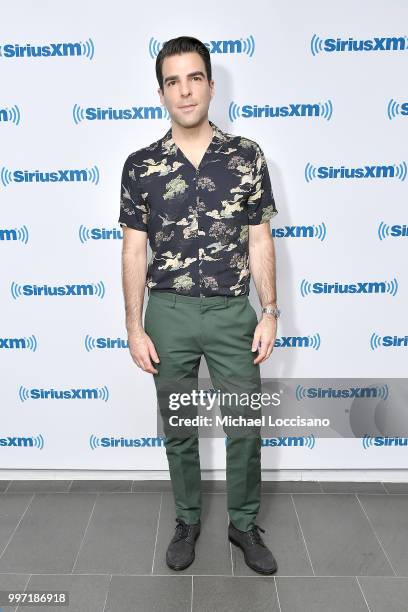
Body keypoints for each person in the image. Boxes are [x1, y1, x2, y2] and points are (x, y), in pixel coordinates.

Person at [118, 36, 280, 575]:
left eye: (194, 78)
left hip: (233, 312)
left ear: (211, 84)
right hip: (168, 314)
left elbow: (260, 238)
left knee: (245, 425)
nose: (185, 91)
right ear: (161, 92)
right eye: (172, 81)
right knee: (179, 427)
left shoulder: (247, 156)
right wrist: (133, 325)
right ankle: (187, 519)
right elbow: (134, 248)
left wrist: (271, 311)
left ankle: (243, 523)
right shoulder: (141, 166)